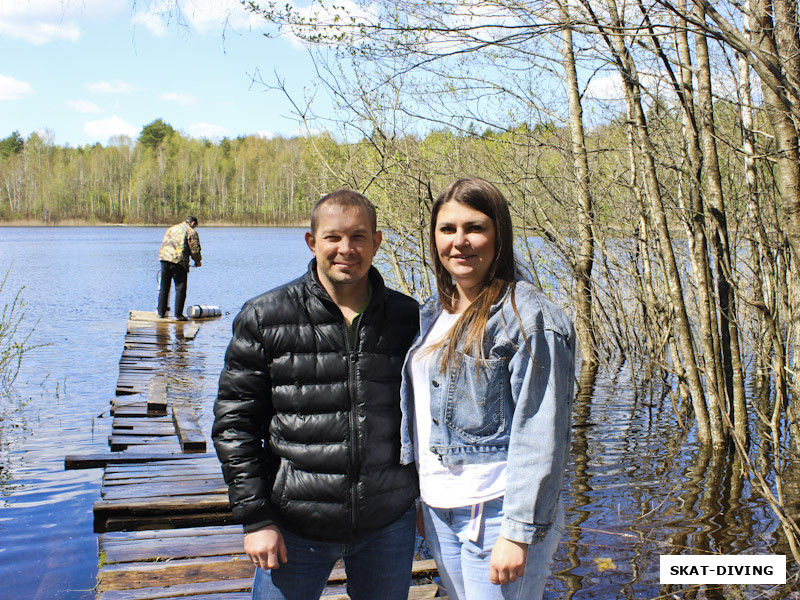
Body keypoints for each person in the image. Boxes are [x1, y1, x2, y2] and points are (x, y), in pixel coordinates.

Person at [212, 189, 420, 600]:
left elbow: (428, 419)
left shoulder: (407, 317)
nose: (347, 249)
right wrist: (255, 520)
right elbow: (234, 425)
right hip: (295, 524)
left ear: (376, 242)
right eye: (333, 237)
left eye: (359, 237)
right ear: (312, 241)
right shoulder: (265, 317)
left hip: (387, 522)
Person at [399, 177, 575, 600]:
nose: (459, 241)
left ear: (500, 235)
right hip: (442, 509)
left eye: (475, 228)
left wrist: (517, 532)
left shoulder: (529, 317)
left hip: (497, 510)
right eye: (448, 229)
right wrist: (424, 500)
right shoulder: (435, 312)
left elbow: (542, 433)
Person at [157, 216, 202, 320]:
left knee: (164, 288)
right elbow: (195, 249)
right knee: (180, 287)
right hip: (178, 262)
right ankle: (178, 315)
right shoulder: (191, 232)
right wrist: (197, 261)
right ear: (192, 223)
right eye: (195, 225)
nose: (195, 228)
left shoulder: (172, 228)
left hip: (164, 259)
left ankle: (161, 313)